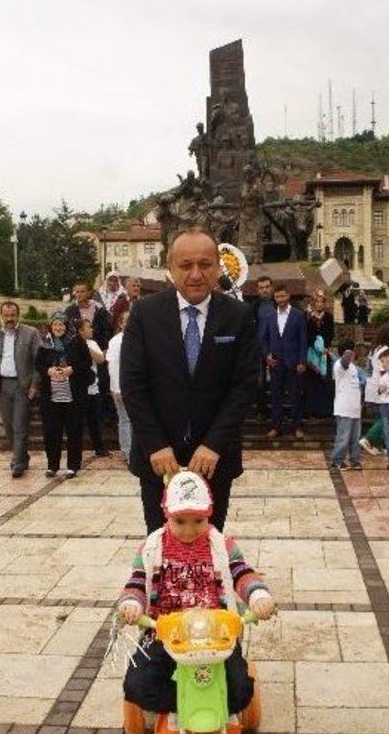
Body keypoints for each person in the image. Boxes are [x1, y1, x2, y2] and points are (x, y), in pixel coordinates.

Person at [120, 226, 259, 534]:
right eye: (185, 265)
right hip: (159, 462)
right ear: (170, 268)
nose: (196, 274)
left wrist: (213, 444)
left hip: (213, 460)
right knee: (161, 549)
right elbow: (133, 384)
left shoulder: (238, 316)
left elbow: (245, 385)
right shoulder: (145, 313)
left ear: (217, 267)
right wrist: (155, 444)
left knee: (208, 550)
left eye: (205, 264)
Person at [118, 470, 275, 731]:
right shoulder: (151, 547)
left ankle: (219, 700)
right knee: (137, 685)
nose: (189, 530)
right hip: (164, 633)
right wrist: (132, 604)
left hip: (216, 633)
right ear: (167, 515)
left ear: (209, 515)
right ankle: (181, 702)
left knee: (241, 690)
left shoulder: (221, 545)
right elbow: (137, 581)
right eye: (180, 521)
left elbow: (241, 572)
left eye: (198, 521)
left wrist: (258, 595)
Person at [36, 312, 94, 478]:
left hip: (73, 395)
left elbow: (87, 362)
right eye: (55, 325)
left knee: (74, 430)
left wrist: (71, 369)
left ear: (66, 326)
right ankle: (52, 465)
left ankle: (73, 466)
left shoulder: (76, 341)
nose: (58, 328)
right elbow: (38, 364)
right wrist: (48, 370)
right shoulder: (44, 343)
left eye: (61, 325)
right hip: (52, 396)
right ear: (50, 326)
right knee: (51, 431)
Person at [0, 301, 40, 478]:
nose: (9, 319)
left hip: (22, 386)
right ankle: (23, 457)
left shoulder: (30, 333)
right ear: (1, 316)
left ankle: (17, 462)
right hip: (3, 386)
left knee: (20, 425)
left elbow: (38, 362)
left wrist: (34, 385)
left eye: (12, 315)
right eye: (6, 316)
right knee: (9, 427)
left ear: (18, 315)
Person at [264, 285, 307, 440]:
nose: (280, 299)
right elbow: (264, 339)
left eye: (283, 296)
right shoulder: (269, 316)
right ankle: (276, 426)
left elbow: (303, 340)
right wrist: (266, 355)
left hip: (294, 362)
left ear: (288, 296)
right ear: (274, 298)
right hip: (275, 362)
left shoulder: (299, 315)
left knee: (295, 396)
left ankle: (297, 427)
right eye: (277, 297)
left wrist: (302, 361)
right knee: (276, 396)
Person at [360, 324, 389, 457]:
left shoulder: (374, 349)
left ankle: (378, 445)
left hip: (371, 385)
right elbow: (387, 371)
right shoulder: (386, 350)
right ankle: (368, 439)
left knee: (379, 415)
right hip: (381, 387)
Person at [77, 319, 110, 458]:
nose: (92, 330)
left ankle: (99, 448)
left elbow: (101, 359)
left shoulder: (93, 343)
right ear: (80, 331)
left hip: (93, 388)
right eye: (88, 328)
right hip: (78, 388)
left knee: (95, 420)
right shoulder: (72, 343)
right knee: (77, 422)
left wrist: (85, 346)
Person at [331, 339, 363, 469]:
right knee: (343, 437)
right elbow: (344, 361)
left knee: (355, 438)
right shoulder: (339, 364)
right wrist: (349, 352)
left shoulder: (354, 367)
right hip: (344, 408)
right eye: (353, 350)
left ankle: (355, 460)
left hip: (355, 409)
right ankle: (337, 460)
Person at [106, 309, 132, 464]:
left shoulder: (139, 338)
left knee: (134, 420)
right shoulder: (116, 341)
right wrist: (117, 388)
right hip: (121, 388)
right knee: (125, 420)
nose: (129, 323)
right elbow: (113, 366)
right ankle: (128, 452)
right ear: (121, 323)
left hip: (136, 388)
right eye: (126, 320)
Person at [304, 289, 335, 419]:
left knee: (325, 381)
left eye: (322, 302)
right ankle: (312, 409)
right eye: (317, 301)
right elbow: (307, 334)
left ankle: (325, 410)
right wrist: (314, 345)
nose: (320, 304)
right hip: (312, 353)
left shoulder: (328, 317)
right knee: (312, 381)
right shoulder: (308, 317)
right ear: (313, 303)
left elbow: (330, 333)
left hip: (324, 352)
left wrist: (325, 346)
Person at [65, 280, 112, 351]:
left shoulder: (99, 309)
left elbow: (106, 330)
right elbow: (67, 330)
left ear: (88, 293)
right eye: (77, 292)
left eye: (82, 292)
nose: (79, 294)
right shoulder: (69, 310)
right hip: (76, 349)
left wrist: (105, 348)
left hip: (97, 348)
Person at [254, 275, 275, 418]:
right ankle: (262, 411)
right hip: (258, 350)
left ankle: (277, 412)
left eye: (267, 287)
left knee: (277, 382)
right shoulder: (253, 307)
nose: (265, 290)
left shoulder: (279, 304)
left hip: (277, 349)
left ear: (272, 288)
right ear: (258, 290)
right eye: (262, 288)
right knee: (260, 382)